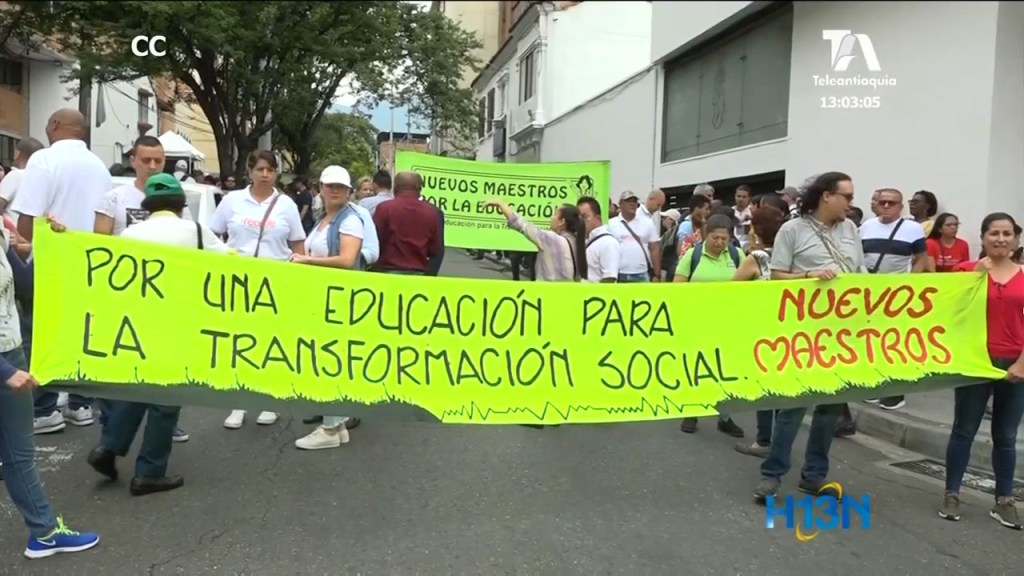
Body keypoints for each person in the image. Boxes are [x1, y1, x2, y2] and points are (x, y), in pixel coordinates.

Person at [86, 174, 230, 495]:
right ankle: (149, 471)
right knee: (166, 399)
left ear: (147, 204)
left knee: (140, 388)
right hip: (179, 323)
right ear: (181, 204)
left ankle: (108, 447)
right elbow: (230, 262)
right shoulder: (194, 231)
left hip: (139, 323)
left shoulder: (131, 233)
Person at [754, 172, 866, 503]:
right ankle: (772, 475)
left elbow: (860, 275)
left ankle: (814, 475)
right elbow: (776, 277)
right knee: (791, 407)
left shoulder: (851, 230)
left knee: (829, 409)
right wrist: (809, 276)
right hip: (801, 334)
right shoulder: (793, 230)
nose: (851, 203)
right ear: (826, 196)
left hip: (840, 334)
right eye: (847, 196)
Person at [0, 216, 100, 558]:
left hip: (10, 352)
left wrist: (51, 245)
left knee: (18, 453)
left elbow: (26, 284)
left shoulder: (1, 232)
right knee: (18, 454)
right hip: (4, 364)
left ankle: (43, 532)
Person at [12, 109, 111, 431]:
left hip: (48, 261)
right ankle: (80, 404)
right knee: (78, 333)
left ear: (54, 125)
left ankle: (43, 409)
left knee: (38, 332)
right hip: (88, 264)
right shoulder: (99, 166)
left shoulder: (43, 160)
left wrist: (22, 255)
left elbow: (27, 215)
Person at [210, 151, 306, 429]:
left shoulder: (286, 204)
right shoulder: (232, 201)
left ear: (277, 174)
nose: (265, 174)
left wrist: (301, 280)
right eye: (260, 169)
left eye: (271, 170)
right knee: (239, 341)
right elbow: (214, 234)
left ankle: (268, 400)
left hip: (276, 283)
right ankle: (239, 402)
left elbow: (298, 243)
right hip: (239, 281)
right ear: (250, 171)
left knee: (270, 342)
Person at [939, 213, 1024, 529]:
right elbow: (947, 309)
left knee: (1006, 434)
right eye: (994, 233)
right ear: (983, 237)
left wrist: (1021, 363)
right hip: (974, 361)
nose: (1001, 239)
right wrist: (974, 275)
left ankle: (1004, 499)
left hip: (1015, 362)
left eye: (1007, 233)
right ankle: (951, 493)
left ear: (1015, 238)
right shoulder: (965, 271)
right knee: (964, 429)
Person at [291, 165, 369, 450]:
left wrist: (308, 262)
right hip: (323, 299)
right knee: (327, 360)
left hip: (339, 300)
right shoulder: (326, 218)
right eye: (329, 185)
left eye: (340, 187)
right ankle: (335, 425)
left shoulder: (350, 220)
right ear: (320, 188)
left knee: (331, 361)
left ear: (349, 191)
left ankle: (330, 426)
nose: (334, 190)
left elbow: (348, 260)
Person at [674, 214, 744, 437]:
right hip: (697, 324)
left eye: (725, 238)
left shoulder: (736, 255)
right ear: (707, 235)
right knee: (696, 368)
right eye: (716, 237)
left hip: (728, 325)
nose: (720, 242)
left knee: (724, 371)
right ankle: (691, 412)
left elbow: (753, 284)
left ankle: (724, 416)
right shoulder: (692, 256)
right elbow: (677, 288)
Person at [732, 206, 786, 457]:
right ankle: (781, 439)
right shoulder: (791, 257)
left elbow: (733, 288)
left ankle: (763, 440)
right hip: (788, 328)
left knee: (764, 387)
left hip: (763, 329)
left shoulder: (758, 258)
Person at [485, 199, 585, 282]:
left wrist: (500, 204)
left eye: (555, 214)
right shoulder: (579, 242)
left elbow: (521, 224)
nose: (551, 217)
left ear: (562, 222)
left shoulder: (552, 240)